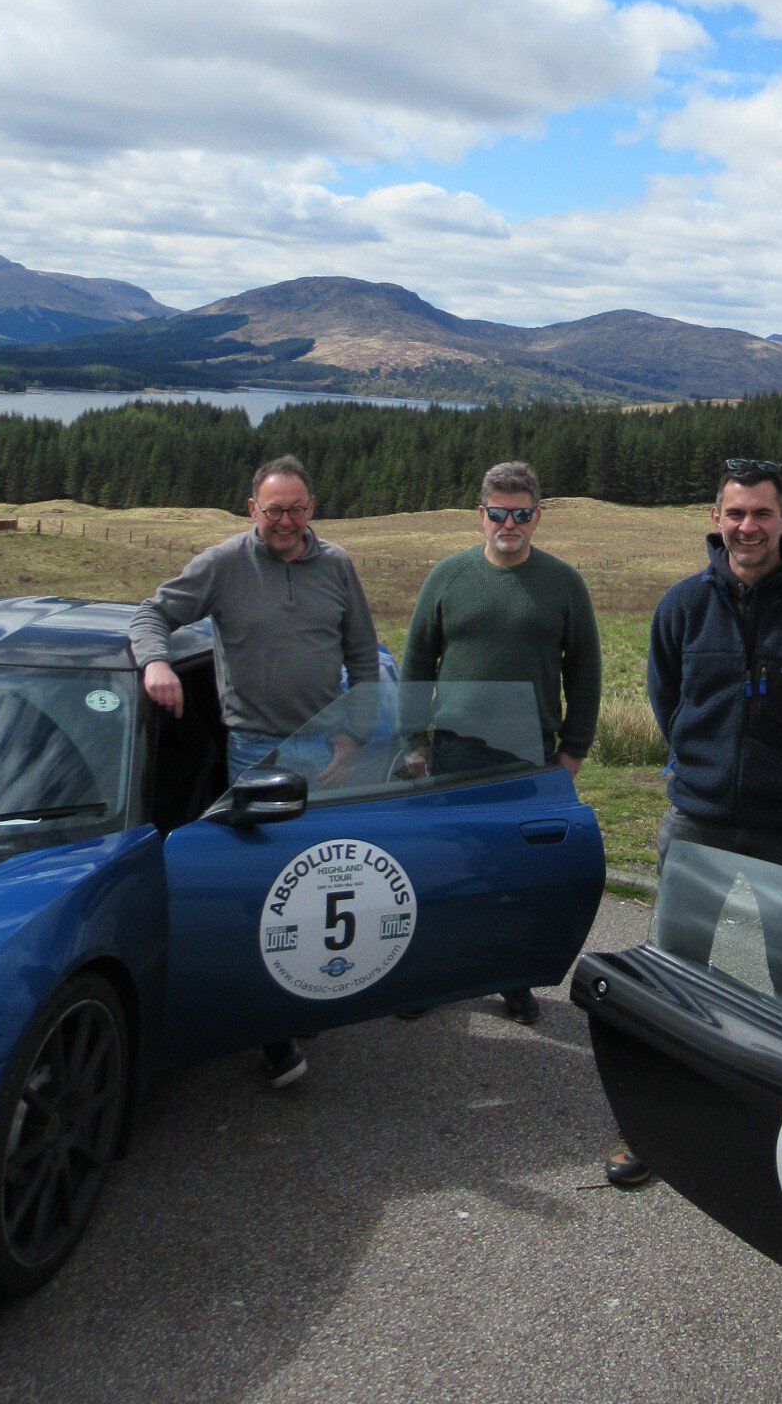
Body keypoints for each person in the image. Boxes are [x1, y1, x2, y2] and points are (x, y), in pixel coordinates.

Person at [605, 458, 782, 1188]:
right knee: (674, 976)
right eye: (736, 513)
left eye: (763, 513)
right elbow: (668, 701)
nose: (749, 527)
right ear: (716, 518)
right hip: (697, 822)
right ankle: (653, 1127)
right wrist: (701, 768)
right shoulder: (682, 606)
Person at [130, 453, 381, 1088]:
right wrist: (156, 663)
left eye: (297, 509)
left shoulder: (338, 566)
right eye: (275, 510)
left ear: (312, 509)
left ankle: (314, 995)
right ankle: (270, 1032)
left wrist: (354, 736)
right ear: (253, 510)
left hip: (327, 751)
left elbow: (363, 656)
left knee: (328, 882)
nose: (287, 521)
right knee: (269, 895)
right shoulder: (221, 565)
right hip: (254, 751)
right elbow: (151, 614)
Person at [401, 461, 601, 1027]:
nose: (507, 523)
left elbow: (585, 670)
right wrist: (415, 743)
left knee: (518, 876)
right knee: (445, 869)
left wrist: (573, 750)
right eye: (497, 513)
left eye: (520, 513)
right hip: (455, 752)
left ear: (537, 517)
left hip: (530, 754)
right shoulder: (446, 577)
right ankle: (432, 975)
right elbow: (416, 664)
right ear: (480, 516)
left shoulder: (563, 583)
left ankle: (511, 980)